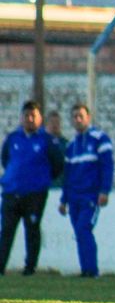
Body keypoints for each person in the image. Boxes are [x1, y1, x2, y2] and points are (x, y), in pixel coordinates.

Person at [0, 101, 64, 276]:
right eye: (26, 115)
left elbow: (58, 164)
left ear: (40, 118)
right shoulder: (13, 138)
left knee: (32, 229)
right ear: (21, 118)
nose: (29, 119)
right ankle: (1, 266)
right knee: (6, 230)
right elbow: (5, 160)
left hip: (35, 194)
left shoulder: (46, 140)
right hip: (11, 193)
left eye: (33, 115)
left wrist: (41, 180)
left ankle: (30, 268)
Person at [58, 103, 114, 278]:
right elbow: (67, 175)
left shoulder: (100, 138)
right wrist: (63, 200)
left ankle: (92, 270)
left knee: (84, 228)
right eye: (74, 116)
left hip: (91, 196)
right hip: (74, 197)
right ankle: (86, 270)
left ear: (88, 118)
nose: (78, 119)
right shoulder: (71, 146)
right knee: (79, 233)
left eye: (81, 116)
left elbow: (107, 166)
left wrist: (105, 190)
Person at [45, 110, 69, 188]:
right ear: (47, 124)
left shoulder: (66, 144)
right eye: (52, 122)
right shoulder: (41, 143)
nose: (55, 125)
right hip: (45, 186)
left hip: (62, 185)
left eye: (57, 122)